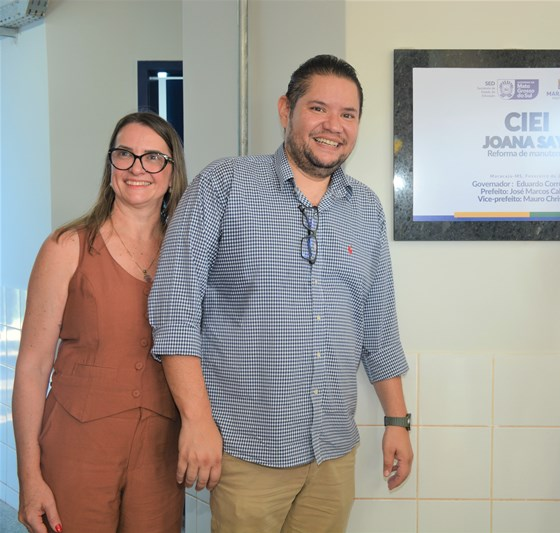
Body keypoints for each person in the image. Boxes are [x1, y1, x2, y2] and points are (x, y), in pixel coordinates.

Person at [148, 54, 413, 533]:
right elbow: (175, 309)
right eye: (318, 108)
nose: (333, 125)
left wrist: (398, 421)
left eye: (348, 114)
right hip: (247, 453)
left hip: (332, 453)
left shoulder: (365, 209)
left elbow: (378, 325)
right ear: (285, 110)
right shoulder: (224, 185)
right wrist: (196, 420)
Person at [12, 111, 188, 533]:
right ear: (110, 165)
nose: (137, 168)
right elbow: (32, 367)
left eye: (153, 157)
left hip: (160, 455)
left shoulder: (187, 255)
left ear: (172, 173)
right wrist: (29, 477)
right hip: (76, 448)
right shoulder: (66, 247)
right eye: (124, 154)